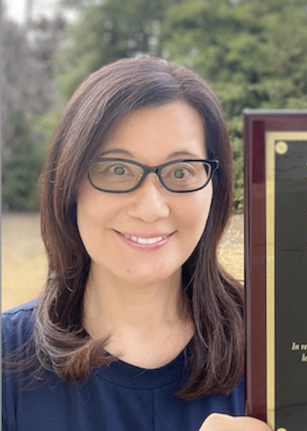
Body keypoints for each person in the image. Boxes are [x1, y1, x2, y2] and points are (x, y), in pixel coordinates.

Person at [2, 57, 269, 431]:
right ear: (70, 184)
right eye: (117, 169)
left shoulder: (280, 348)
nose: (151, 208)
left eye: (180, 171)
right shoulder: (5, 359)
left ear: (215, 187)